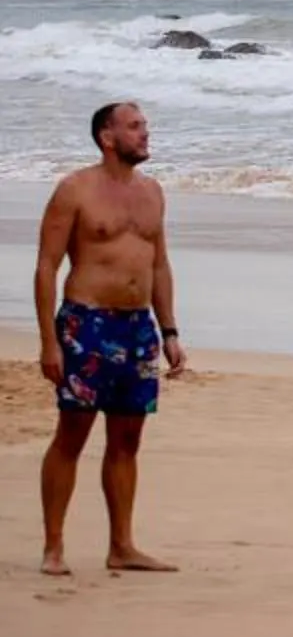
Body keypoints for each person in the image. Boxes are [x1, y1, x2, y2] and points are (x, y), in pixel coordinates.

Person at [35, 102, 185, 575]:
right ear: (107, 136)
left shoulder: (153, 192)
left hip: (137, 328)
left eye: (144, 126)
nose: (145, 133)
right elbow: (46, 267)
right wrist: (48, 341)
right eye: (135, 126)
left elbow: (158, 263)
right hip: (87, 326)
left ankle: (121, 545)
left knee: (127, 440)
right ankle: (54, 547)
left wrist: (170, 331)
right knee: (72, 433)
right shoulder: (74, 190)